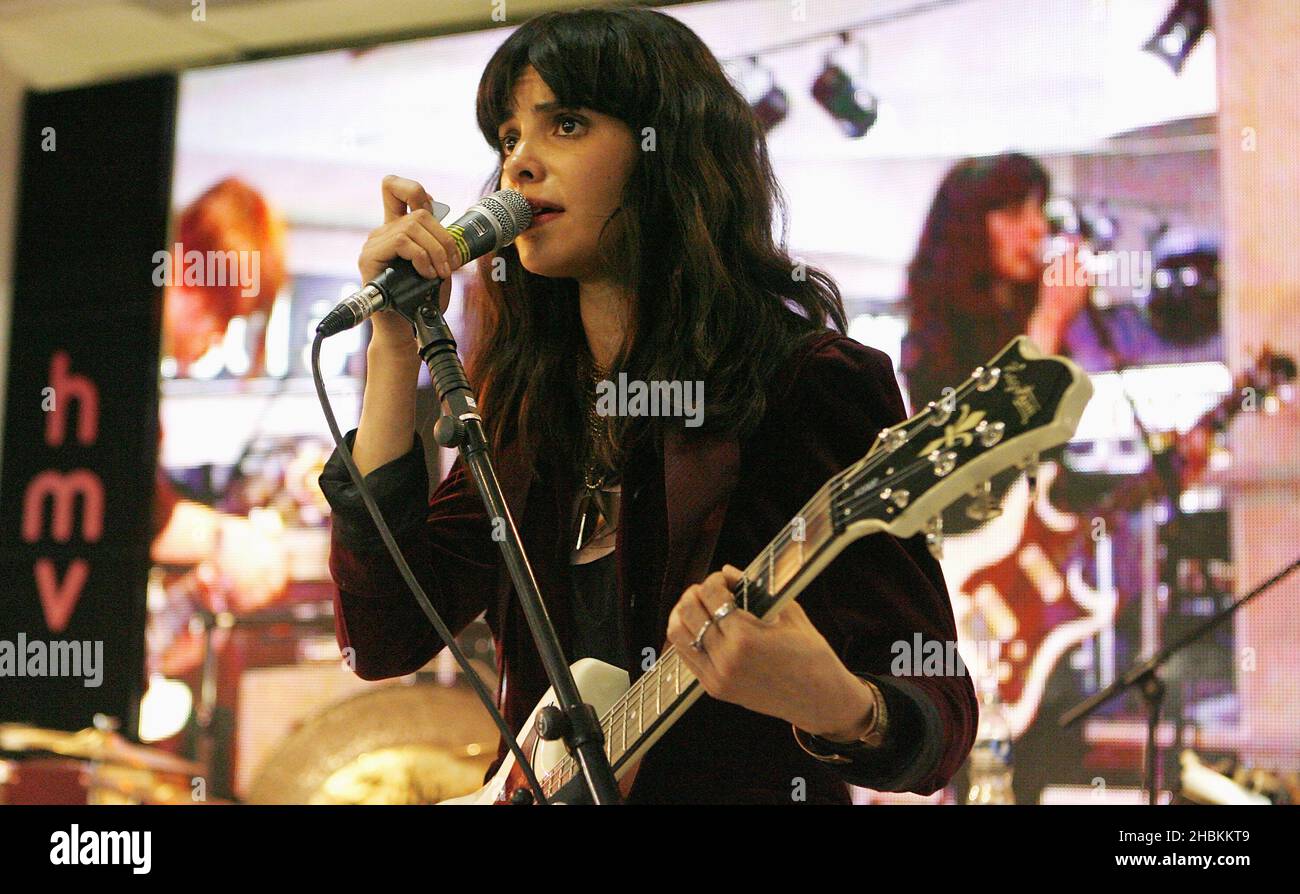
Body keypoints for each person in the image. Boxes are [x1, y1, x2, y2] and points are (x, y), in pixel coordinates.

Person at [319, 7, 975, 804]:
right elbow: (387, 634)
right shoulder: (531, 408)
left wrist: (838, 704)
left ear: (669, 151)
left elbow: (936, 710)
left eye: (564, 124)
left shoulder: (808, 383)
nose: (519, 164)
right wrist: (392, 344)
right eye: (507, 138)